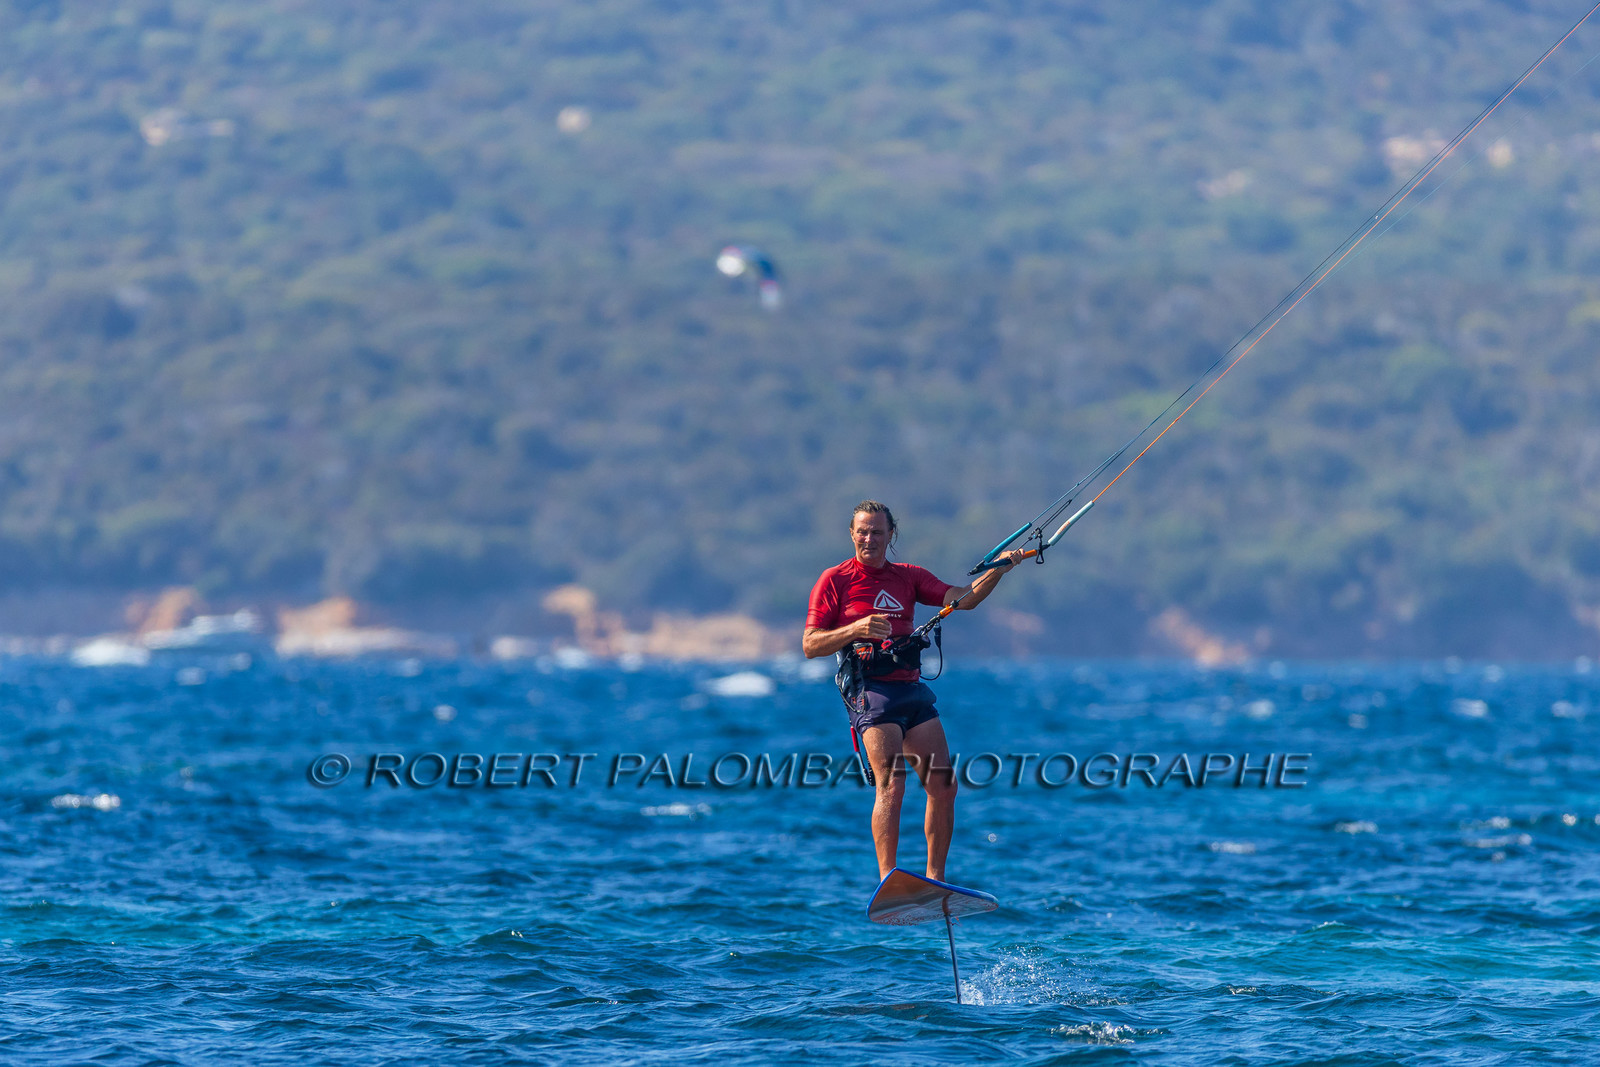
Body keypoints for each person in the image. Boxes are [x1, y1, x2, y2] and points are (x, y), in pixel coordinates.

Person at [802, 500, 1021, 882]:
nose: (869, 538)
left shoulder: (908, 576)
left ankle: (934, 878)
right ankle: (890, 878)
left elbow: (963, 599)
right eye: (862, 531)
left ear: (891, 535)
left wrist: (1000, 568)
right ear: (851, 533)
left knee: (943, 785)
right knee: (891, 783)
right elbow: (810, 644)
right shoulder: (835, 580)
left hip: (911, 691)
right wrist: (856, 629)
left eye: (877, 532)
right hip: (870, 692)